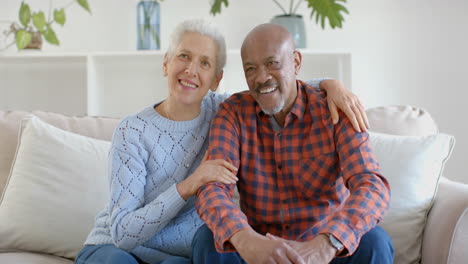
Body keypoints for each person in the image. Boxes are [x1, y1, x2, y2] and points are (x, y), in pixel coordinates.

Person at [75, 19, 370, 264]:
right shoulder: (133, 131)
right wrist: (190, 185)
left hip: (177, 255)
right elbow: (123, 234)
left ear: (216, 79)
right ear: (166, 63)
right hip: (118, 248)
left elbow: (275, 88)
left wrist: (333, 85)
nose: (191, 70)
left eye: (204, 63)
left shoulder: (226, 110)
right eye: (183, 56)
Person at [194, 23, 394, 264]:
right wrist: (245, 239)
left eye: (272, 64)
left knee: (375, 241)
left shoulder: (335, 109)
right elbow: (211, 188)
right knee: (207, 239)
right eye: (251, 68)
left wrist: (328, 242)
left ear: (296, 62)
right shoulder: (232, 114)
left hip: (324, 248)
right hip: (258, 251)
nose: (261, 77)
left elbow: (372, 185)